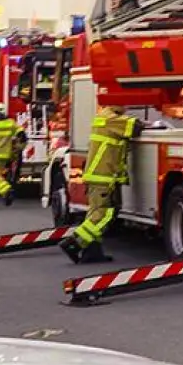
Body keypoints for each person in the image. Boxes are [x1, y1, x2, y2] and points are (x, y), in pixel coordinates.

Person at [59, 105, 139, 263]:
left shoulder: (104, 118)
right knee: (104, 214)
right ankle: (74, 243)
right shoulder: (110, 119)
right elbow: (134, 127)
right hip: (104, 177)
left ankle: (92, 252)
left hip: (99, 176)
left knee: (94, 214)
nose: (127, 109)